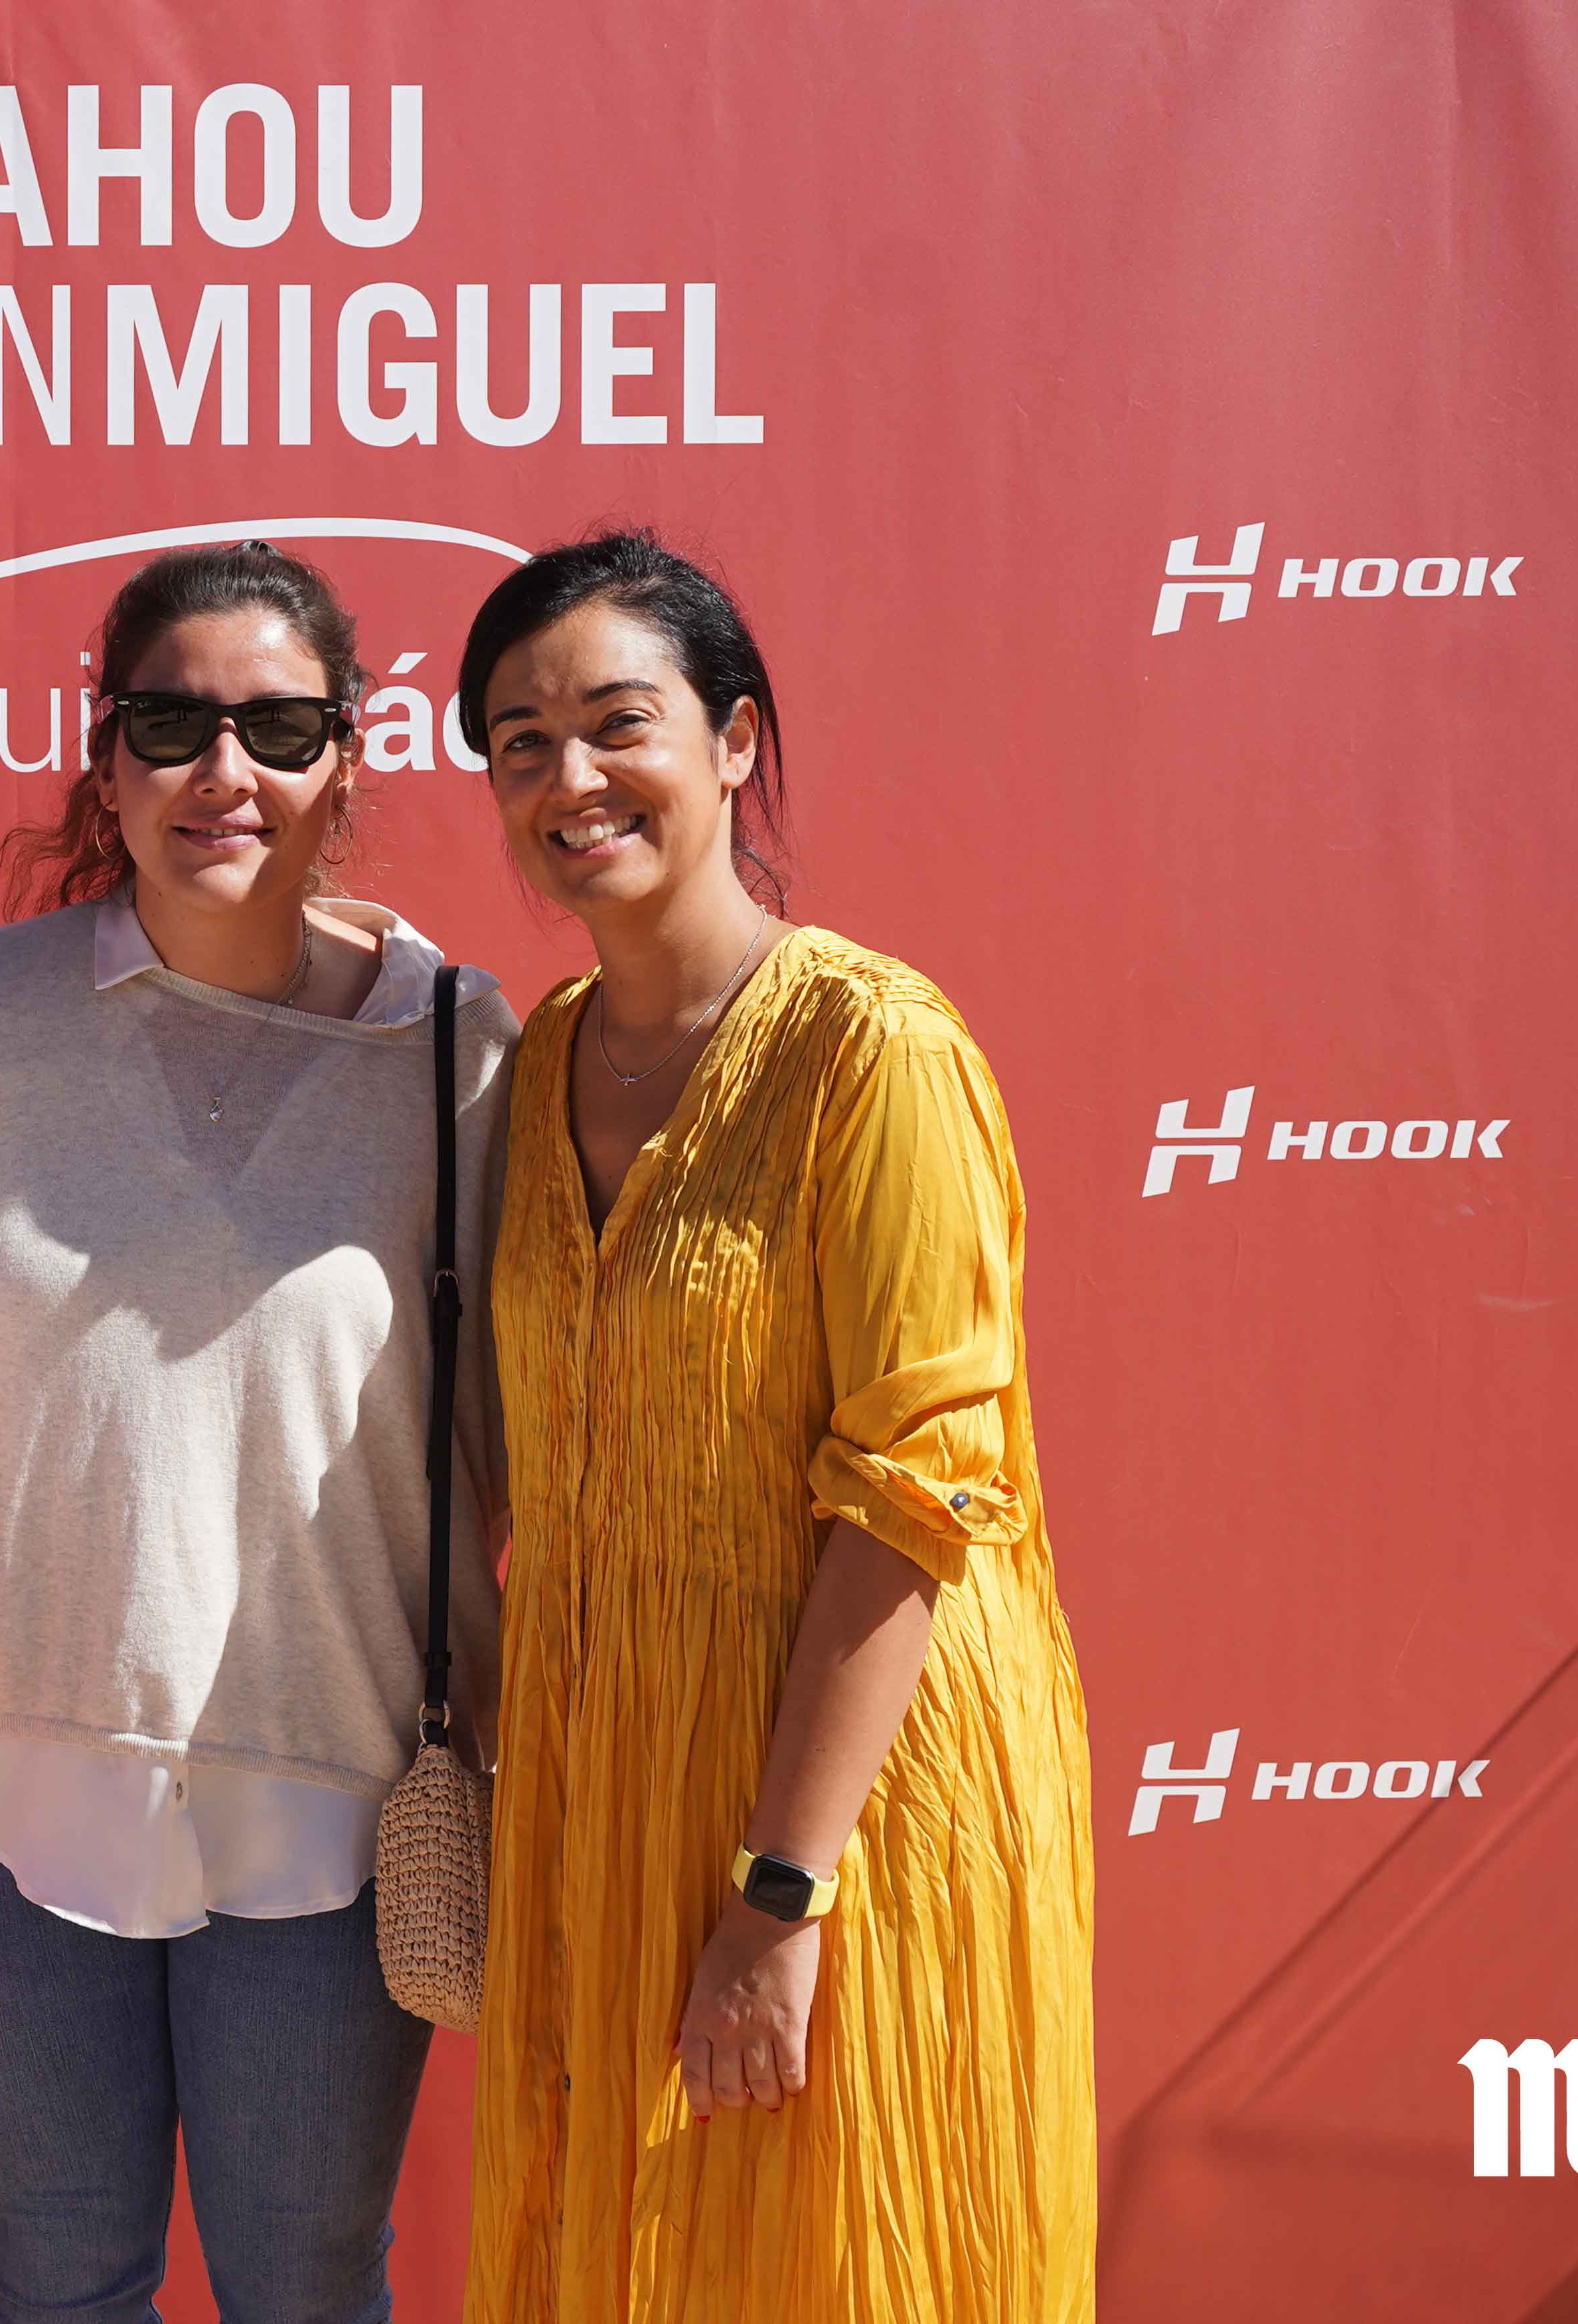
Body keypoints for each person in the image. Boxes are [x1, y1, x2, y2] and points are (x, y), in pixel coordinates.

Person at [0, 541, 518, 2324]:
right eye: (172, 724)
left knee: (305, 2285)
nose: (225, 771)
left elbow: (522, 1409)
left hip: (335, 1773)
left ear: (346, 758)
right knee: (60, 2286)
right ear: (108, 754)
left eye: (280, 727)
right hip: (5, 1768)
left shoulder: (461, 1052)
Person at [453, 533, 1095, 2322]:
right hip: (608, 1808)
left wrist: (780, 1894)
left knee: (843, 2263)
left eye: (617, 723)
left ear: (734, 741)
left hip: (845, 1822)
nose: (570, 780)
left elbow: (917, 1495)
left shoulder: (874, 1049)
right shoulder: (538, 1058)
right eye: (520, 743)